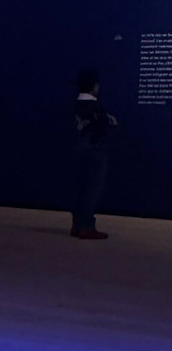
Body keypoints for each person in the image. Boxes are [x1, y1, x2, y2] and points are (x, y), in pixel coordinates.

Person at [71, 68, 117, 239]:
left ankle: (77, 224)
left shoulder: (73, 106)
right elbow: (105, 128)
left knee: (79, 188)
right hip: (96, 152)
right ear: (95, 86)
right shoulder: (98, 108)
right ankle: (87, 226)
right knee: (92, 189)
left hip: (77, 151)